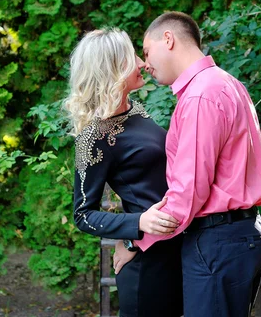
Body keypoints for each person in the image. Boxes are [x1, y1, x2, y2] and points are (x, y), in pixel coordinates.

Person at [116, 11, 261, 317]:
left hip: (217, 241)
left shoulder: (201, 95)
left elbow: (188, 194)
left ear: (168, 39)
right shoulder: (228, 83)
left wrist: (135, 242)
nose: (145, 63)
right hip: (242, 235)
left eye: (146, 52)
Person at [64, 28, 184, 317]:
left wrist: (131, 239)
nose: (143, 63)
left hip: (176, 251)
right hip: (148, 269)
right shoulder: (94, 136)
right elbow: (83, 215)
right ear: (113, 68)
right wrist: (136, 227)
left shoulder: (135, 110)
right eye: (132, 57)